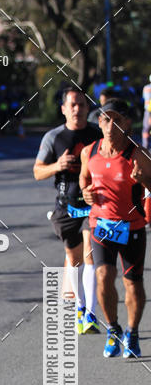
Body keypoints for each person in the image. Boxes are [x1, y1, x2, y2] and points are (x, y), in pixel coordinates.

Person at [80, 97, 151, 358]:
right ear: (99, 123)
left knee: (132, 283)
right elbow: (84, 181)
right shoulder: (90, 151)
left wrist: (144, 180)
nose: (110, 126)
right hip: (101, 225)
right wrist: (86, 194)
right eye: (105, 120)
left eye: (116, 120)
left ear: (127, 123)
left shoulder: (138, 154)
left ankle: (132, 332)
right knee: (103, 276)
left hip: (131, 227)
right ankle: (112, 329)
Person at [34, 87, 101, 334]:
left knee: (90, 252)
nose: (77, 109)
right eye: (72, 104)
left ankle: (91, 315)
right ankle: (81, 308)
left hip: (94, 204)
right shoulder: (54, 137)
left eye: (82, 104)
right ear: (63, 109)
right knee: (74, 259)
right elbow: (37, 171)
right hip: (66, 205)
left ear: (87, 108)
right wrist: (58, 164)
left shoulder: (97, 134)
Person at [142, 75, 151, 149]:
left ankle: (145, 146)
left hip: (148, 111)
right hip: (149, 110)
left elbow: (144, 98)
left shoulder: (146, 87)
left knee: (146, 129)